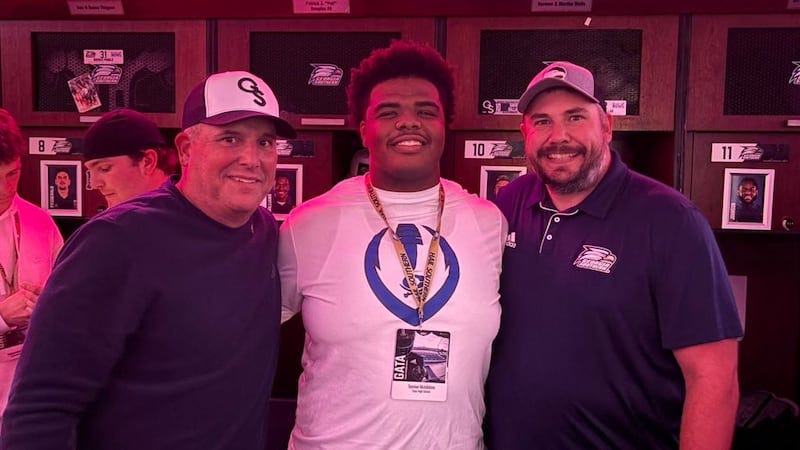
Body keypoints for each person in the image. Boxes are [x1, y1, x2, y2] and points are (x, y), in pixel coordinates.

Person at [1, 70, 296, 449]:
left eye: (266, 142)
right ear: (187, 148)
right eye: (230, 138)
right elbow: (41, 406)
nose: (251, 159)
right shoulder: (117, 241)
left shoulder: (264, 230)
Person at [485, 61, 743, 449]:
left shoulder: (670, 220)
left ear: (606, 126)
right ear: (525, 133)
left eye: (575, 117)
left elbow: (714, 378)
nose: (559, 136)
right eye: (542, 122)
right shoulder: (510, 203)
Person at [278, 40, 506, 449]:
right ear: (363, 129)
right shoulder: (309, 224)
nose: (408, 123)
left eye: (426, 112)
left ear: (444, 127)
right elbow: (243, 334)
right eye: (388, 112)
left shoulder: (488, 222)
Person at [0, 109, 63, 431]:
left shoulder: (40, 221)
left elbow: (69, 301)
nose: (3, 188)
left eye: (12, 174)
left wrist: (50, 306)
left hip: (31, 380)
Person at [82, 108, 178, 209]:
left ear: (147, 162)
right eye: (90, 172)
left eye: (105, 168)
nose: (94, 184)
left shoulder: (187, 220)